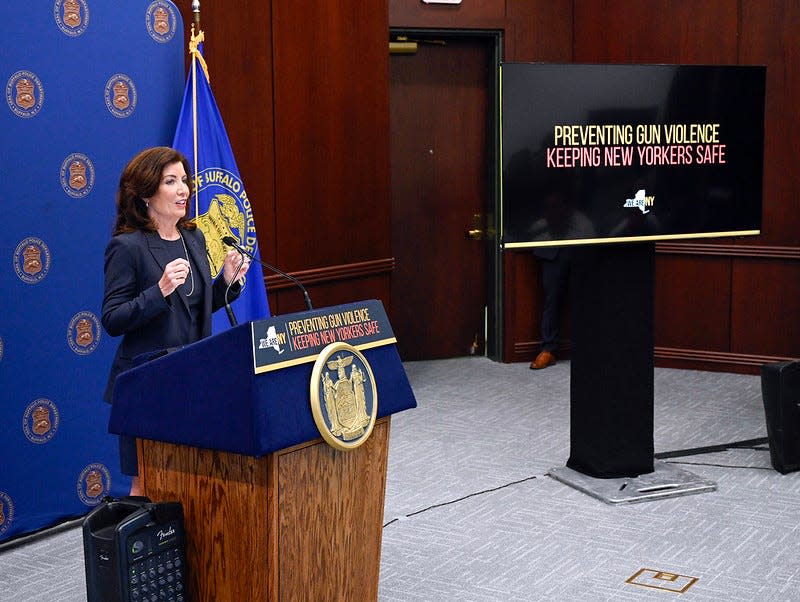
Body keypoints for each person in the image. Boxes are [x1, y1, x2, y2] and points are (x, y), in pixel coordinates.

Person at [101, 146, 251, 495]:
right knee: (148, 482)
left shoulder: (193, 237)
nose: (184, 189)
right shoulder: (128, 247)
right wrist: (161, 289)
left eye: (184, 180)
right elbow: (112, 318)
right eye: (171, 181)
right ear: (145, 193)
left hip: (193, 380)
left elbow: (195, 306)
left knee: (193, 480)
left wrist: (226, 283)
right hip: (147, 385)